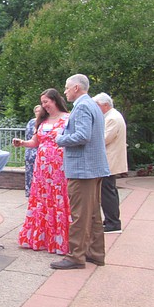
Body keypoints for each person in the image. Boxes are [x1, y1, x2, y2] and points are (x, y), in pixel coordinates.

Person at [52, 74, 110, 270]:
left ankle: (76, 256)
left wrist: (60, 138)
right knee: (93, 213)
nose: (65, 91)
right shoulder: (93, 105)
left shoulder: (83, 106)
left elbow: (83, 136)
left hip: (82, 170)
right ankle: (95, 253)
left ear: (76, 88)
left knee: (80, 215)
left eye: (67, 88)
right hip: (93, 168)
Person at [13, 90, 70, 254]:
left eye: (47, 101)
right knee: (42, 200)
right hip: (42, 169)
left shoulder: (67, 118)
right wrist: (22, 143)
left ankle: (60, 240)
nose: (45, 105)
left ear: (55, 100)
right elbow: (35, 142)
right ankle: (41, 238)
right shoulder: (42, 120)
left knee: (58, 198)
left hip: (59, 168)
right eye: (43, 102)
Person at [93, 93, 128, 234]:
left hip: (109, 160)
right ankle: (110, 220)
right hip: (109, 160)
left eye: (97, 106)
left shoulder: (112, 118)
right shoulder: (112, 116)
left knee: (107, 192)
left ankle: (113, 223)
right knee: (108, 191)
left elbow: (104, 138)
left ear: (105, 105)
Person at [24, 105, 43, 198]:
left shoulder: (44, 122)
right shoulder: (31, 122)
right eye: (36, 111)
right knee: (29, 174)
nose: (38, 113)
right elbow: (28, 137)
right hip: (31, 151)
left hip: (39, 151)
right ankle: (30, 193)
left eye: (40, 111)